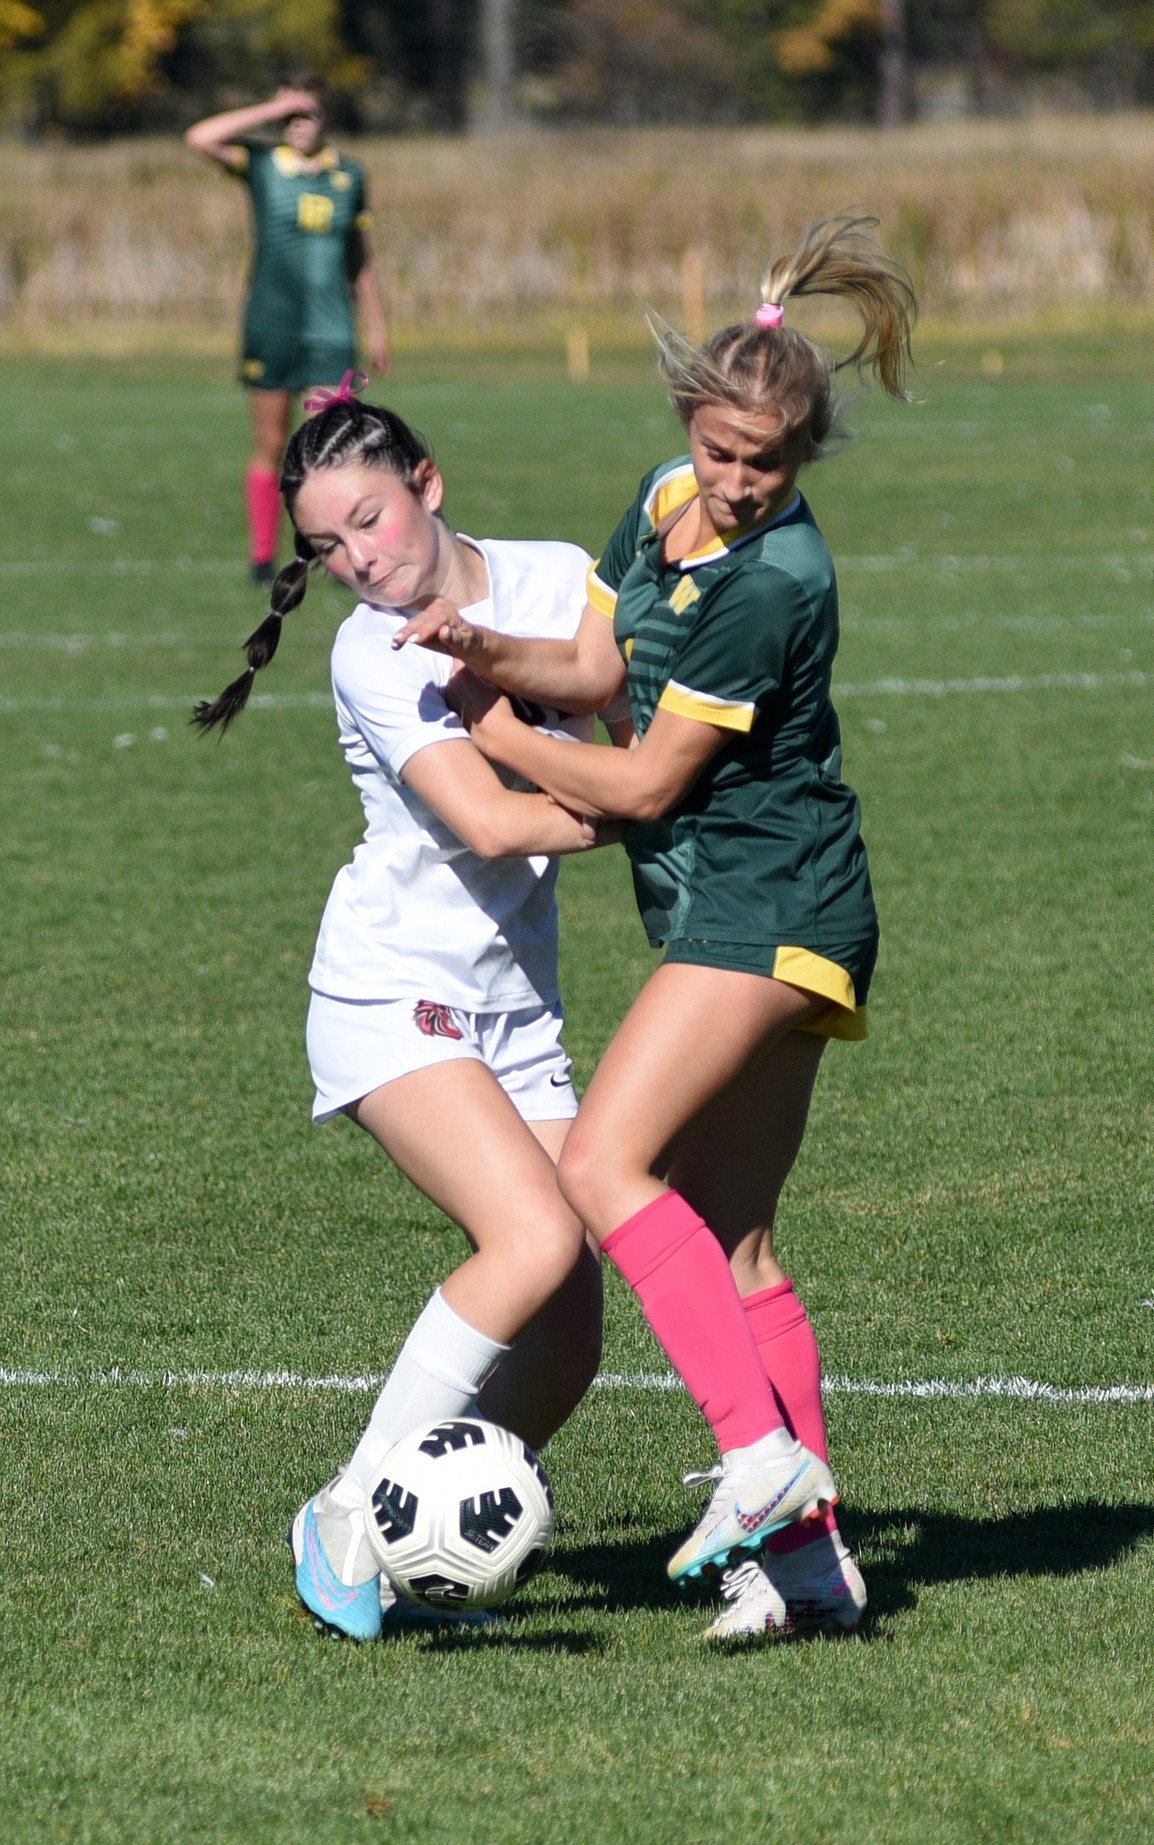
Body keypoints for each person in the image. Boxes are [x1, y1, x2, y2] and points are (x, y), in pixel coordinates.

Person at [394, 215, 918, 1640]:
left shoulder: (773, 581)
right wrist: (485, 649)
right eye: (721, 450)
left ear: (804, 457)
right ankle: (810, 1568)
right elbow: (599, 663)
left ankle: (757, 1462)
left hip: (772, 898)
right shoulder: (663, 496)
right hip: (762, 896)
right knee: (733, 1239)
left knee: (606, 1170)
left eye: (768, 463)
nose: (739, 483)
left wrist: (497, 727)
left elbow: (638, 779)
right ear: (689, 423)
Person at [193, 381, 629, 1641]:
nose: (359, 561)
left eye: (372, 521)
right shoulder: (368, 650)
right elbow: (492, 819)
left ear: (428, 483)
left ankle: (434, 1520)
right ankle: (349, 1512)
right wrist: (640, 803)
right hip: (392, 995)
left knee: (569, 1337)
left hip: (513, 1014)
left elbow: (622, 705)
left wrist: (650, 759)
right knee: (532, 1242)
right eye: (330, 546)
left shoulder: (555, 582)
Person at [185, 78, 389, 586]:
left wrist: (377, 324)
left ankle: (340, 556)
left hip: (331, 330)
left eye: (307, 114)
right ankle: (262, 557)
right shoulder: (260, 166)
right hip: (271, 325)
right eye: (287, 118)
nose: (296, 125)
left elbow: (359, 258)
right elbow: (199, 137)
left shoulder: (348, 175)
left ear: (326, 118)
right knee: (272, 442)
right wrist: (269, 105)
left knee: (334, 450)